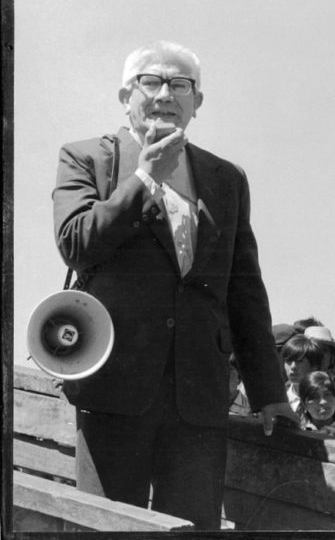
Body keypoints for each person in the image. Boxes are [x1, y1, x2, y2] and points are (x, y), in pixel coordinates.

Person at [52, 41, 297, 529]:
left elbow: (244, 289)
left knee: (193, 529)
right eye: (150, 81)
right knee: (107, 529)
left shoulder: (226, 178)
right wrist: (145, 178)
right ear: (126, 95)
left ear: (197, 103)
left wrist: (270, 391)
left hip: (199, 401)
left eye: (180, 85)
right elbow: (75, 243)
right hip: (113, 392)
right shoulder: (85, 158)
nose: (165, 94)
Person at [282, 334, 327, 411]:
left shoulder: (327, 397)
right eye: (288, 361)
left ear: (314, 365)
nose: (292, 367)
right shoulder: (280, 399)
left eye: (299, 361)